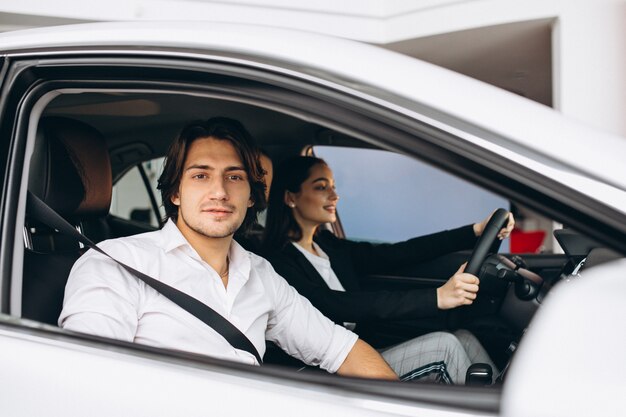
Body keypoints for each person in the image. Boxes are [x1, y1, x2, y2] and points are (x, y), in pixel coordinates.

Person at [59, 118, 397, 380]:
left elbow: (340, 348)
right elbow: (85, 382)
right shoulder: (115, 264)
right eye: (201, 176)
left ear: (251, 196)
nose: (219, 191)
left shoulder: (260, 274)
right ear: (175, 193)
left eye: (234, 177)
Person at [263, 156, 515, 383]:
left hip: (366, 349)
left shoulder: (328, 245)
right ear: (290, 197)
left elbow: (400, 253)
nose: (334, 195)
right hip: (331, 369)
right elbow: (336, 304)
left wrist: (474, 231)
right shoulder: (278, 261)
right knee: (445, 346)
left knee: (465, 337)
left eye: (333, 187)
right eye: (321, 187)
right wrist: (437, 297)